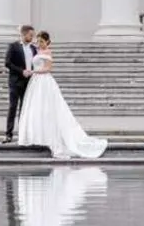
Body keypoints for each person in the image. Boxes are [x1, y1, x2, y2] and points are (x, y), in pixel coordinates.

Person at [14, 31, 108, 159]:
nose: (39, 43)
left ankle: (52, 138)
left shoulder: (47, 52)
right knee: (36, 108)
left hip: (43, 81)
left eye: (42, 41)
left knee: (48, 109)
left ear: (47, 42)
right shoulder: (37, 50)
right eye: (38, 41)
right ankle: (37, 135)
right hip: (36, 82)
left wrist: (33, 71)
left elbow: (48, 68)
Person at [2, 25, 37, 144]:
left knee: (24, 109)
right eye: (30, 35)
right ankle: (8, 134)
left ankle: (22, 135)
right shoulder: (13, 46)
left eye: (33, 35)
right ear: (23, 34)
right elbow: (7, 63)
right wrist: (21, 71)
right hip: (15, 82)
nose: (32, 37)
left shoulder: (33, 49)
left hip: (29, 82)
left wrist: (32, 72)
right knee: (12, 107)